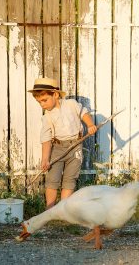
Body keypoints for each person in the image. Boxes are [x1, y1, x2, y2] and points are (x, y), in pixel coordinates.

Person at [28, 77, 97, 208]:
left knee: (69, 179)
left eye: (44, 100)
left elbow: (84, 113)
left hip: (75, 146)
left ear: (55, 94)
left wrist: (90, 125)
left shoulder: (71, 104)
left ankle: (63, 209)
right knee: (52, 180)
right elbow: (46, 138)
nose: (42, 105)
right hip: (57, 148)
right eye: (39, 102)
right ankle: (50, 209)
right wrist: (45, 159)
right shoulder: (47, 117)